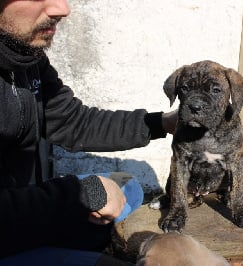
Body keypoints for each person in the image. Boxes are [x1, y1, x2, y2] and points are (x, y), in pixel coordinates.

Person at [0, 0, 177, 265]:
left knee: (127, 185)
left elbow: (73, 120)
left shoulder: (25, 56)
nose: (62, 9)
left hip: (23, 210)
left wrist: (161, 123)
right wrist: (81, 195)